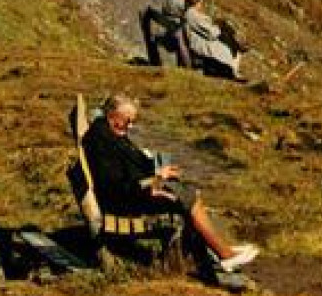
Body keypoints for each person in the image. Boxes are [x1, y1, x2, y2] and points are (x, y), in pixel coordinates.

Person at [82, 94, 259, 272]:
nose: (130, 126)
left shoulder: (107, 134)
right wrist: (155, 180)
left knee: (187, 193)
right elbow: (115, 186)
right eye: (127, 121)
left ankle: (223, 250)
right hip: (125, 203)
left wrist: (156, 171)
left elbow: (128, 168)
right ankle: (225, 256)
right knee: (189, 199)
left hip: (135, 194)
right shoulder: (102, 142)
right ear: (112, 115)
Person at [184, 0, 243, 79]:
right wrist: (218, 27)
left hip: (204, 38)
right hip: (201, 41)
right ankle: (232, 71)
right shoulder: (192, 14)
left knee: (230, 41)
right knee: (228, 45)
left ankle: (233, 69)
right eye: (200, 2)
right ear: (196, 3)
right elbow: (209, 32)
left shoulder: (193, 13)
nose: (201, 5)